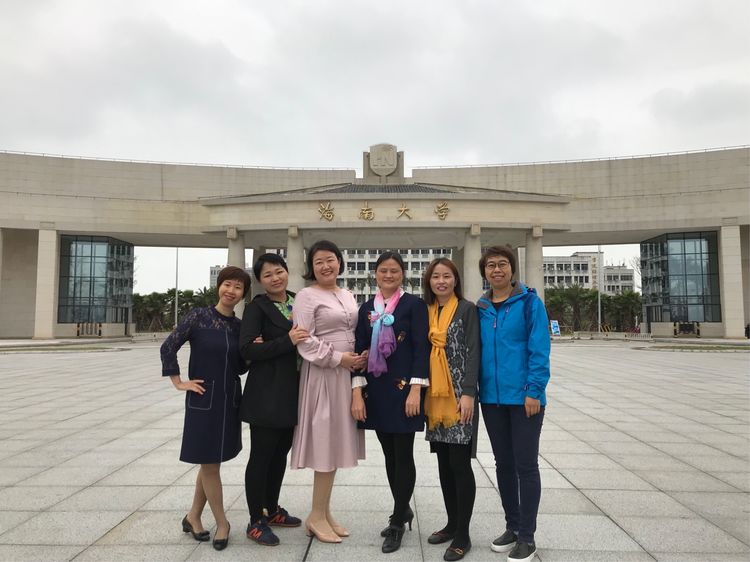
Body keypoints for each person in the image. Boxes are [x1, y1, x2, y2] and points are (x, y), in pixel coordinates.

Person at [160, 265, 251, 551]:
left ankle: (193, 517)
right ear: (219, 286)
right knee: (210, 463)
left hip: (229, 399)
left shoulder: (239, 327)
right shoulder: (198, 317)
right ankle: (223, 523)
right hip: (203, 399)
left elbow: (240, 366)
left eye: (238, 287)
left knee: (210, 461)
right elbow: (168, 346)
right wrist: (179, 382)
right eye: (227, 284)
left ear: (243, 294)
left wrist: (252, 351)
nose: (231, 291)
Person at [476, 245, 550, 562]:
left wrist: (534, 390)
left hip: (524, 399)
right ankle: (513, 526)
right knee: (503, 464)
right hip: (491, 399)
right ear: (484, 272)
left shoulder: (530, 303)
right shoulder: (480, 307)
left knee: (526, 465)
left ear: (512, 268)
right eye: (491, 265)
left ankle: (527, 537)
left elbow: (539, 349)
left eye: (502, 264)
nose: (497, 270)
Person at [352, 251, 430, 554]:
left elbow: (421, 349)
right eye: (383, 270)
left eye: (394, 271)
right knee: (388, 454)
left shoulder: (414, 305)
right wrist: (357, 390)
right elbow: (359, 349)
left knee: (403, 453)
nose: (388, 275)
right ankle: (403, 509)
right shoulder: (365, 309)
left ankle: (397, 521)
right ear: (375, 274)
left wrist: (416, 390)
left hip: (404, 389)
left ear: (402, 275)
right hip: (377, 389)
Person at [289, 240, 366, 543]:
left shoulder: (346, 293)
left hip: (345, 375)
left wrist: (359, 357)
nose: (325, 266)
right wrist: (338, 358)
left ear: (339, 262)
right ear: (311, 266)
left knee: (335, 443)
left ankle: (323, 512)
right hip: (323, 375)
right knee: (324, 442)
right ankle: (316, 515)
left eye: (330, 259)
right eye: (318, 261)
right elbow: (304, 340)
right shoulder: (306, 296)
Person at [239, 253, 308, 546]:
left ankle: (273, 508)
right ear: (260, 280)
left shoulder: (299, 301)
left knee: (280, 454)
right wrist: (286, 341)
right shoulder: (257, 308)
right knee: (262, 456)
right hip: (267, 394)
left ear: (287, 272)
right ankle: (256, 520)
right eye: (267, 275)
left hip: (294, 392)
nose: (275, 278)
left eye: (278, 271)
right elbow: (247, 350)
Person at [423, 258, 480, 562]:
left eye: (447, 276)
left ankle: (463, 534)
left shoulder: (467, 309)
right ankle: (451, 524)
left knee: (459, 464)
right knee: (444, 464)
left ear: (455, 280)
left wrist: (469, 392)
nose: (441, 281)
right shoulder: (427, 310)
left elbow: (474, 352)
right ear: (429, 281)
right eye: (436, 276)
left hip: (459, 398)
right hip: (435, 397)